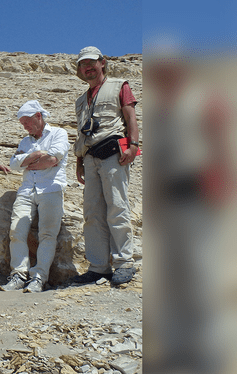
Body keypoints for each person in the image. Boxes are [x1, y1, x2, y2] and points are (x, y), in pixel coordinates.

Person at [71, 46, 140, 285]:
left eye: (91, 63)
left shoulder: (120, 85)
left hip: (113, 153)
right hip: (89, 158)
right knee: (92, 213)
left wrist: (133, 146)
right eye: (83, 64)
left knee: (117, 207)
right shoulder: (81, 99)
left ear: (102, 62)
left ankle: (124, 262)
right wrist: (79, 162)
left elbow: (130, 116)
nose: (87, 68)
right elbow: (81, 132)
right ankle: (99, 266)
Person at [0, 100, 69, 293]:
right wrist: (35, 156)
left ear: (38, 116)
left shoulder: (58, 134)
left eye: (27, 122)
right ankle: (19, 274)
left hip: (51, 189)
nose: (25, 126)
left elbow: (53, 158)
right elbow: (13, 164)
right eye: (22, 124)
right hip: (27, 190)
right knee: (16, 231)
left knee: (48, 234)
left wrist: (28, 161)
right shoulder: (25, 141)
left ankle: (39, 278)